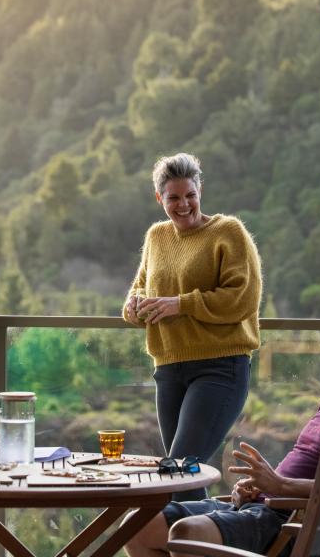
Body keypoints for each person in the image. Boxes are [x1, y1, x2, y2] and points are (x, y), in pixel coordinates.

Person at [124, 296, 320, 557]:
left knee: (188, 534)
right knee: (138, 525)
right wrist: (259, 488)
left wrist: (280, 485)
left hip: (294, 524)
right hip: (264, 507)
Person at [123, 152, 263, 501]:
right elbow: (139, 289)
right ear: (160, 198)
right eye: (173, 197)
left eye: (190, 195)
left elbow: (242, 298)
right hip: (168, 368)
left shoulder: (227, 232)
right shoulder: (156, 237)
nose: (183, 205)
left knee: (178, 472)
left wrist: (180, 303)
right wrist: (134, 306)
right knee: (184, 482)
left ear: (201, 191)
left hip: (220, 367)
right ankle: (202, 544)